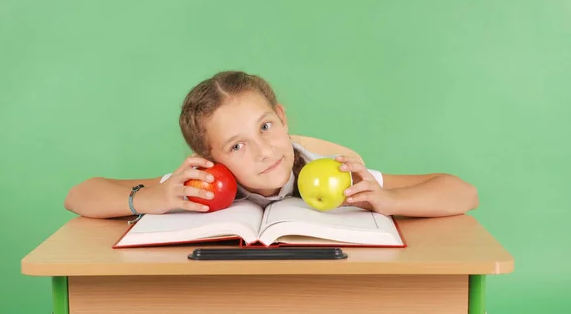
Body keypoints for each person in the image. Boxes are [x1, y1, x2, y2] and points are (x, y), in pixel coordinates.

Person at [64, 70, 478, 219]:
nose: (263, 151)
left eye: (265, 127)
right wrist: (150, 199)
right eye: (237, 146)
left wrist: (390, 201)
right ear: (212, 160)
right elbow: (80, 195)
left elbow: (462, 191)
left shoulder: (328, 167)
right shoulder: (201, 183)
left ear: (281, 118)